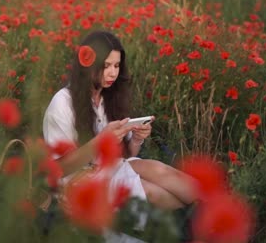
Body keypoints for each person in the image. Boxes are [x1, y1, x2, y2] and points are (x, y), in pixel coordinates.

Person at [42, 30, 198, 213]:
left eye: (116, 66)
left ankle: (214, 208)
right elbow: (59, 169)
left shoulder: (111, 98)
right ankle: (198, 222)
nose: (112, 73)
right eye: (106, 65)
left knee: (159, 170)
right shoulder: (62, 103)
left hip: (109, 168)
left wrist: (137, 139)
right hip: (79, 182)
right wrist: (100, 141)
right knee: (150, 191)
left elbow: (125, 155)